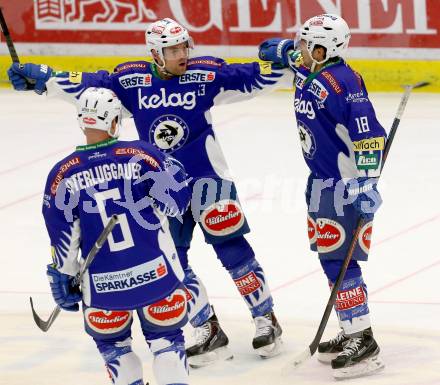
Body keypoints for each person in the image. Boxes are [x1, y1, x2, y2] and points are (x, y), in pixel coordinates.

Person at [8, 18, 292, 366]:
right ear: (156, 54)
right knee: (175, 262)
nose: (182, 55)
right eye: (173, 50)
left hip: (209, 181)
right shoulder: (132, 80)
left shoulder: (204, 75)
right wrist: (45, 78)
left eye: (184, 47)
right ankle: (207, 326)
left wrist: (294, 59)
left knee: (231, 248)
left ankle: (266, 319)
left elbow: (251, 77)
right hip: (160, 188)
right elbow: (90, 86)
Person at [258, 14, 386, 379]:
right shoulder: (308, 68)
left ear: (322, 48)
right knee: (331, 260)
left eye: (303, 44)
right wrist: (284, 50)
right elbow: (268, 52)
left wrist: (365, 184)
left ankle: (362, 337)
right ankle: (351, 328)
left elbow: (369, 136)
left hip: (344, 186)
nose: (297, 49)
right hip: (319, 183)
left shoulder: (345, 82)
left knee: (341, 261)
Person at [42, 87, 192, 385]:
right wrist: (174, 170)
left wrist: (62, 277)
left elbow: (63, 242)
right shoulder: (142, 155)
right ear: (114, 122)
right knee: (167, 344)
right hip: (157, 276)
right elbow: (177, 203)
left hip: (103, 288)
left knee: (115, 352)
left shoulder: (62, 174)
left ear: (83, 122)